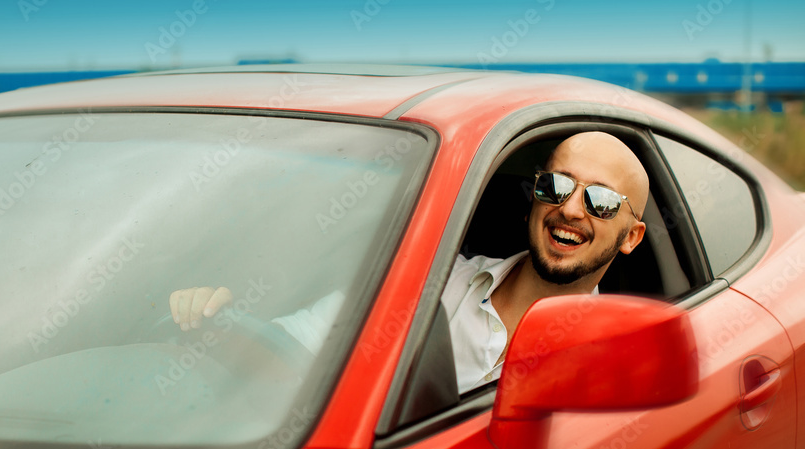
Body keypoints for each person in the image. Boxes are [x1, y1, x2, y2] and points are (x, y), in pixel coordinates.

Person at [169, 131, 648, 392]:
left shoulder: (619, 360)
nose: (569, 208)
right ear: (533, 198)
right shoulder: (427, 281)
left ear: (631, 236)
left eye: (602, 200)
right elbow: (288, 348)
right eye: (557, 186)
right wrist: (219, 323)